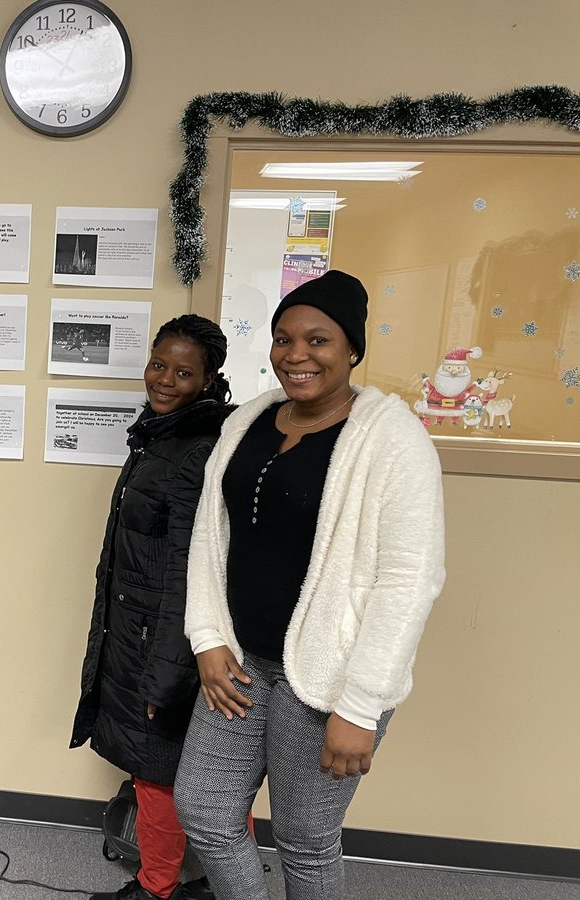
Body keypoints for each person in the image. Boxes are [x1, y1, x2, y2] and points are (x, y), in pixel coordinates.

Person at [174, 271, 446, 900]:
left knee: (304, 839)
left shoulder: (392, 439)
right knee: (207, 814)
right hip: (240, 665)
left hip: (327, 677)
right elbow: (211, 538)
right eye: (282, 338)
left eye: (317, 339)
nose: (296, 355)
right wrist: (208, 637)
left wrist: (361, 705)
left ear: (352, 348)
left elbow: (409, 580)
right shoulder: (248, 422)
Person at [72, 315, 236, 900]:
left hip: (161, 642)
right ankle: (212, 884)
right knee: (179, 772)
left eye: (183, 372)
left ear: (209, 378)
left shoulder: (197, 449)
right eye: (158, 364)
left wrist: (166, 672)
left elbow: (191, 573)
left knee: (160, 771)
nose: (164, 380)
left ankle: (160, 887)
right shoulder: (162, 433)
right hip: (139, 630)